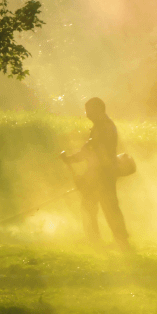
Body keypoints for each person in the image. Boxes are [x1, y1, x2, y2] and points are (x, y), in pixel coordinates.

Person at [60, 97, 130, 251]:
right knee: (107, 207)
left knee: (93, 207)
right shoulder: (105, 125)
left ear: (98, 109)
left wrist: (71, 160)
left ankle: (97, 242)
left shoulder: (102, 127)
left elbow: (90, 150)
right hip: (103, 173)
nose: (86, 114)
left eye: (88, 110)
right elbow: (90, 150)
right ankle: (119, 241)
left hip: (101, 174)